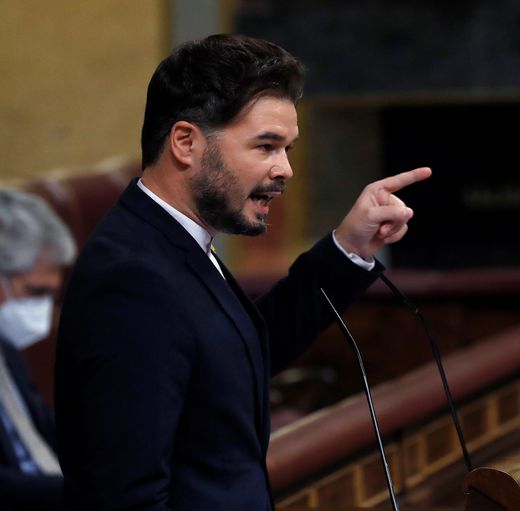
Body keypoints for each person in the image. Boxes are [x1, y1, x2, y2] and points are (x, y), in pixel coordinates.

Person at [54, 34, 430, 510]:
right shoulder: (132, 278)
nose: (285, 169)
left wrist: (349, 248)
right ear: (186, 142)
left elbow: (237, 354)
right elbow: (129, 498)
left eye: (287, 148)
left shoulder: (171, 240)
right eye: (266, 146)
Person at [0, 188, 75, 509]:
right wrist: (81, 493)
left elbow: (42, 431)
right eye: (34, 291)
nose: (42, 309)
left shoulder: (7, 347)